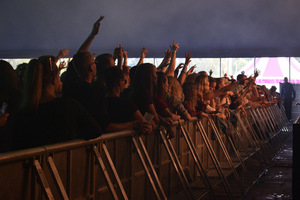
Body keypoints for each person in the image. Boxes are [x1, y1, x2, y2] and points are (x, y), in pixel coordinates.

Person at [13, 58, 103, 150]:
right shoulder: (69, 105)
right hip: (66, 161)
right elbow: (95, 130)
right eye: (58, 77)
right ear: (53, 79)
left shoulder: (23, 112)